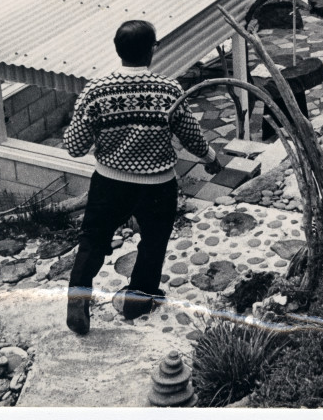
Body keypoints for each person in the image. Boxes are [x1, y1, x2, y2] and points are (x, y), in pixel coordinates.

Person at [63, 19, 221, 335]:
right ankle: (138, 299)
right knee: (153, 241)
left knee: (92, 240)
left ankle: (78, 298)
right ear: (152, 49)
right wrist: (211, 159)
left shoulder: (96, 90)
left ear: (118, 50)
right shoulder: (168, 89)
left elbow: (74, 146)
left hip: (108, 183)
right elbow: (190, 134)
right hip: (157, 186)